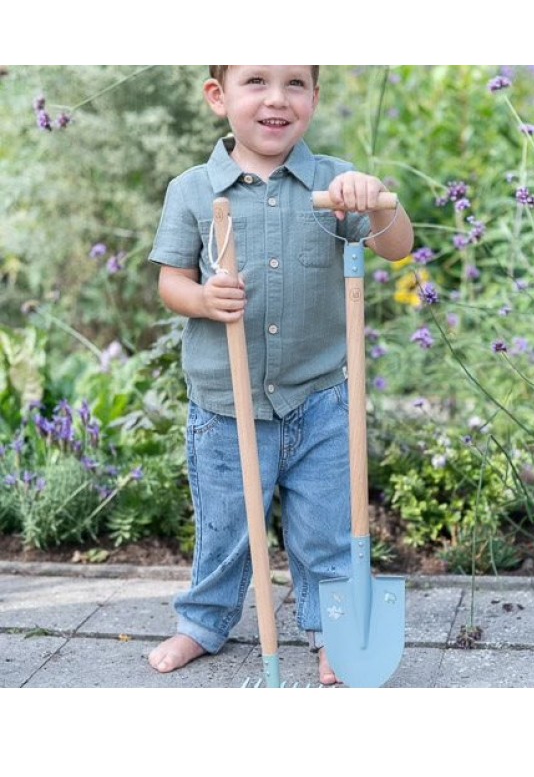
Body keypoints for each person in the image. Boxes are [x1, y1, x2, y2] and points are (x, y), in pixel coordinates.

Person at [147, 65, 413, 685]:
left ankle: (332, 631)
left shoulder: (335, 183)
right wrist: (203, 298)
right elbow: (170, 282)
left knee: (328, 529)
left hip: (320, 400)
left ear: (315, 98)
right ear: (218, 97)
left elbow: (396, 246)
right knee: (225, 527)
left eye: (295, 83)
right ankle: (203, 622)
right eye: (256, 82)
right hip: (226, 404)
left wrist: (379, 199)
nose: (277, 98)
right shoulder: (192, 190)